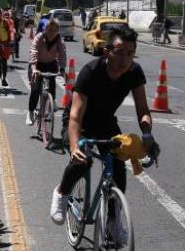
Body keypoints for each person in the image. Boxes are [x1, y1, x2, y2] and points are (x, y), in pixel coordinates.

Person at [50, 27, 160, 232]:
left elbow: (143, 109)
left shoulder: (134, 72)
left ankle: (112, 218)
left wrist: (147, 134)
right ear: (107, 51)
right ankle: (62, 192)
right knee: (83, 159)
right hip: (78, 123)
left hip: (106, 122)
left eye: (130, 53)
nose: (124, 59)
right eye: (119, 52)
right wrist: (74, 147)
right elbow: (75, 116)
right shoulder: (90, 72)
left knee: (118, 163)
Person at [26, 19, 67, 126]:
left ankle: (52, 100)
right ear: (45, 29)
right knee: (35, 89)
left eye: (54, 30)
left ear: (57, 30)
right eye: (49, 29)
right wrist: (34, 68)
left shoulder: (59, 40)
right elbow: (33, 51)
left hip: (50, 64)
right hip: (37, 64)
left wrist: (62, 69)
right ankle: (30, 112)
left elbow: (62, 54)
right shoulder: (40, 37)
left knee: (52, 78)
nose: (51, 32)